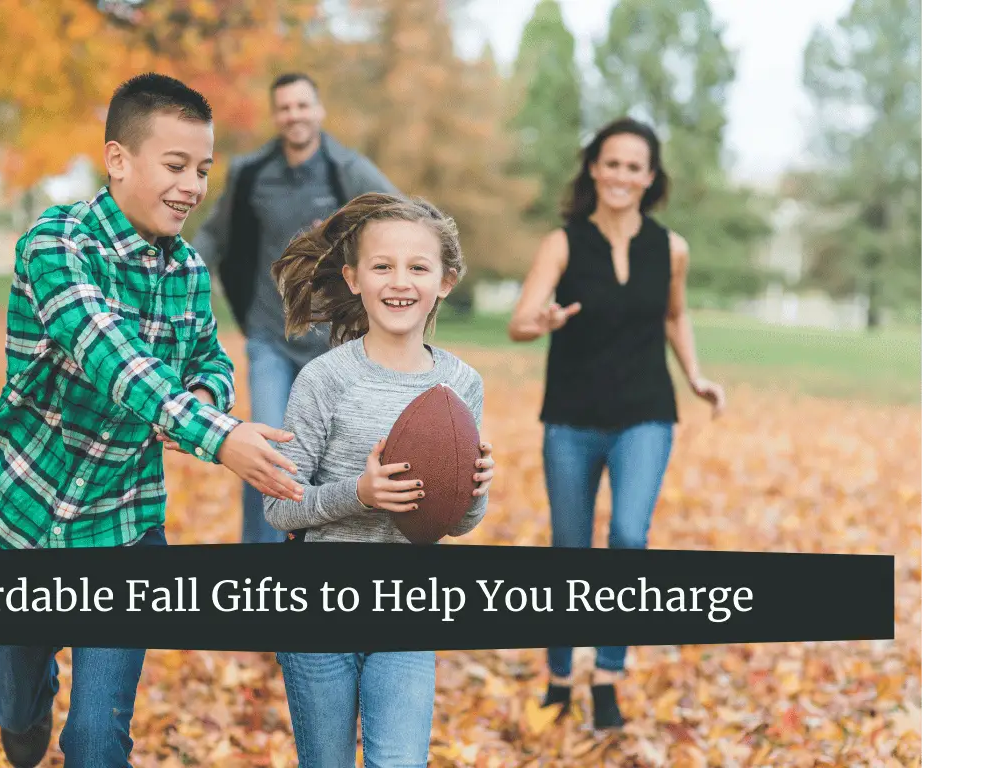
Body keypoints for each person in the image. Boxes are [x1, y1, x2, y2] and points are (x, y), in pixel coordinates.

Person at [0, 73, 304, 768]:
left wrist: (202, 402)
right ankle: (23, 709)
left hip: (125, 524)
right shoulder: (56, 245)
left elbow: (209, 359)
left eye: (203, 169)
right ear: (119, 159)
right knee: (16, 706)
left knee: (96, 740)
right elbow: (109, 353)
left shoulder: (184, 268)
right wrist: (220, 436)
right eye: (175, 165)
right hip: (26, 516)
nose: (191, 186)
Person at [506, 117, 727, 731]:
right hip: (572, 418)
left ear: (650, 177)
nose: (622, 175)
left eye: (635, 166)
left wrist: (696, 376)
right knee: (569, 551)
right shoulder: (563, 242)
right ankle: (558, 678)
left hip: (647, 414)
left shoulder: (671, 247)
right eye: (612, 163)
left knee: (629, 538)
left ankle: (607, 675)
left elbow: (674, 317)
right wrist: (543, 321)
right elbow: (519, 322)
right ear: (594, 169)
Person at [262, 192, 496, 766]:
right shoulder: (325, 379)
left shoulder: (460, 385)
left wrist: (475, 489)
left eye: (419, 267)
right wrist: (358, 495)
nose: (400, 281)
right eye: (382, 266)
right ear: (353, 278)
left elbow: (457, 523)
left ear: (445, 281)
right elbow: (280, 508)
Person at [193, 72, 400, 544]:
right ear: (275, 116)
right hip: (271, 336)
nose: (294, 115)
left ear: (319, 110)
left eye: (302, 106)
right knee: (267, 449)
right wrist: (181, 273)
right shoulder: (252, 173)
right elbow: (214, 235)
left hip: (336, 344)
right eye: (285, 108)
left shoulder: (347, 171)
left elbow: (403, 217)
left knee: (337, 459)